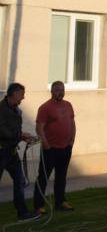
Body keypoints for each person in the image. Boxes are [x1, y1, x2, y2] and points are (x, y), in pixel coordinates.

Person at [33, 81, 76, 214]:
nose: (60, 92)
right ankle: (39, 206)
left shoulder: (68, 105)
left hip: (65, 148)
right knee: (43, 178)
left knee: (61, 177)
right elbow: (39, 127)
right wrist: (46, 144)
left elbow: (72, 123)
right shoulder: (45, 107)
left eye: (62, 89)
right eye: (57, 90)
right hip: (50, 149)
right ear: (52, 91)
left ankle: (60, 202)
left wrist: (71, 142)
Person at [0, 82, 38, 221]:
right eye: (22, 94)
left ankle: (22, 213)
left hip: (11, 152)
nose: (24, 97)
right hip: (1, 152)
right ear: (14, 94)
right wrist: (20, 136)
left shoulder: (17, 110)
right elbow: (2, 132)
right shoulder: (1, 109)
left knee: (20, 181)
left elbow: (13, 131)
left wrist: (23, 136)